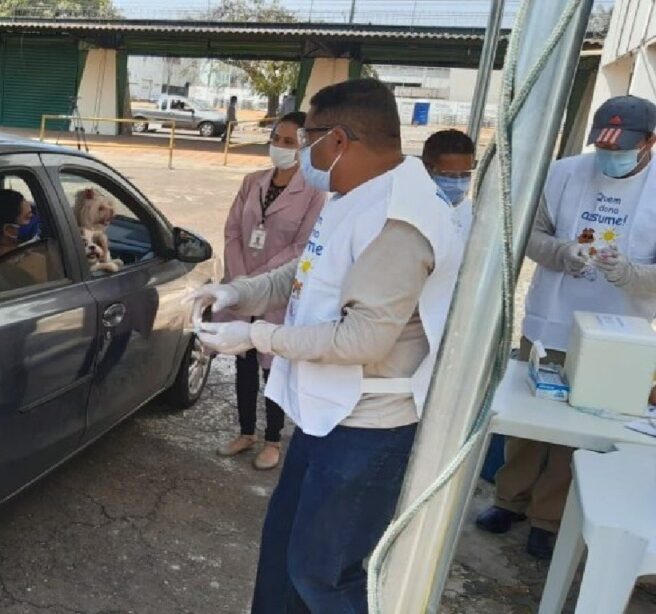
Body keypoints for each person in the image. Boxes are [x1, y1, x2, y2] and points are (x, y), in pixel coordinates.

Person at [187, 78, 462, 611]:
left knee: (324, 576)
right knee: (284, 559)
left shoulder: (400, 221)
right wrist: (236, 291)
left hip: (365, 429)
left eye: (306, 136)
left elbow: (363, 338)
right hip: (325, 413)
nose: (300, 151)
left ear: (336, 139)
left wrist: (253, 334)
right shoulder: (359, 194)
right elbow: (307, 269)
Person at [476, 95, 656, 560]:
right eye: (604, 146)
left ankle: (548, 517)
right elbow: (529, 235)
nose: (609, 157)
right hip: (553, 316)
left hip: (618, 332)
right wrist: (562, 253)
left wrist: (629, 274)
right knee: (531, 417)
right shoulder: (565, 173)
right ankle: (508, 499)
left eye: (622, 148)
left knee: (581, 422)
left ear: (650, 142)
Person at [217, 111, 325, 471]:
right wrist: (240, 277)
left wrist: (257, 281)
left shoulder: (314, 193)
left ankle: (273, 439)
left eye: (289, 142)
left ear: (304, 147)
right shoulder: (253, 181)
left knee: (272, 366)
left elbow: (302, 246)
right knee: (243, 362)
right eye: (276, 138)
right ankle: (246, 431)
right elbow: (233, 230)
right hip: (242, 286)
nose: (279, 147)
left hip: (278, 292)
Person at [422, 129, 476, 243]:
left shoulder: (476, 217)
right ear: (427, 170)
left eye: (465, 174)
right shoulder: (405, 213)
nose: (458, 184)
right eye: (450, 175)